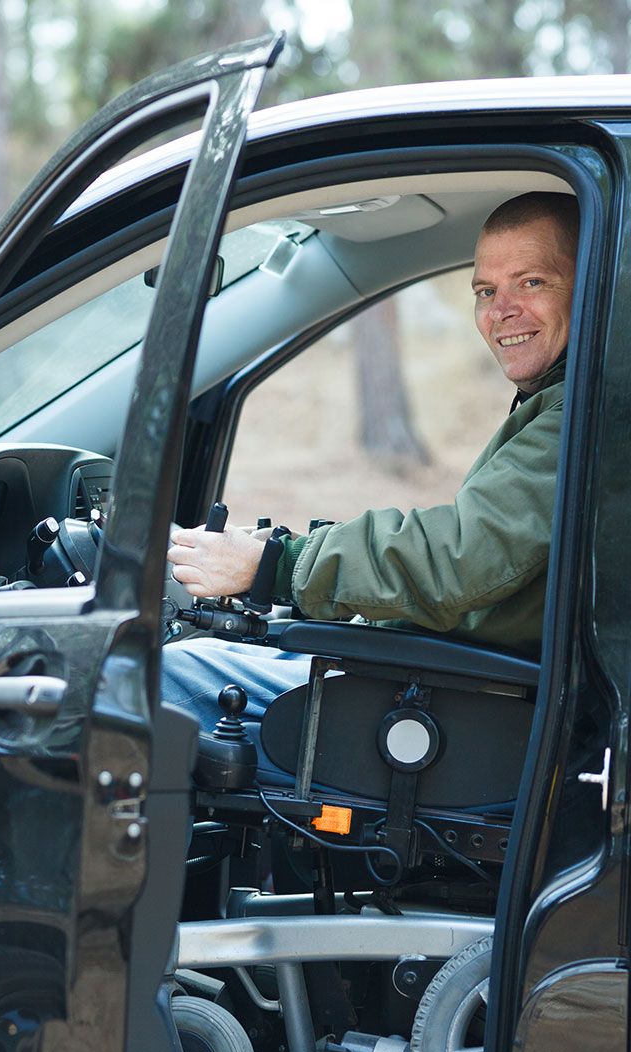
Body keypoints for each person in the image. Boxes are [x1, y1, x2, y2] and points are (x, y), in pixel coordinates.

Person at [163, 190, 579, 730]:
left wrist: (279, 564)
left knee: (164, 676)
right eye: (485, 290)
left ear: (589, 282)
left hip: (452, 698)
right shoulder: (559, 400)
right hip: (439, 672)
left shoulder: (577, 408)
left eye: (532, 282)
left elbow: (458, 558)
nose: (501, 312)